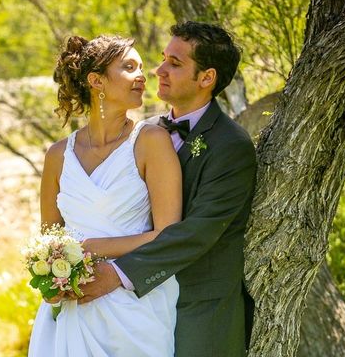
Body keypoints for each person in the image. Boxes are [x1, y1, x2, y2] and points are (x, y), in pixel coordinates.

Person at [79, 21, 257, 356]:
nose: (159, 70)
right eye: (163, 59)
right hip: (138, 308)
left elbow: (199, 232)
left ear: (207, 78)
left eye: (175, 64)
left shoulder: (231, 145)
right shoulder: (146, 133)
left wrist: (116, 274)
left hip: (200, 309)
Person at [28, 35, 183, 356]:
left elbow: (169, 234)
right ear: (96, 80)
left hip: (135, 305)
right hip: (75, 307)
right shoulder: (58, 155)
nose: (142, 75)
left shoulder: (151, 141)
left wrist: (90, 250)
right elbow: (49, 241)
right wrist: (51, 281)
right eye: (129, 67)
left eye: (142, 67)